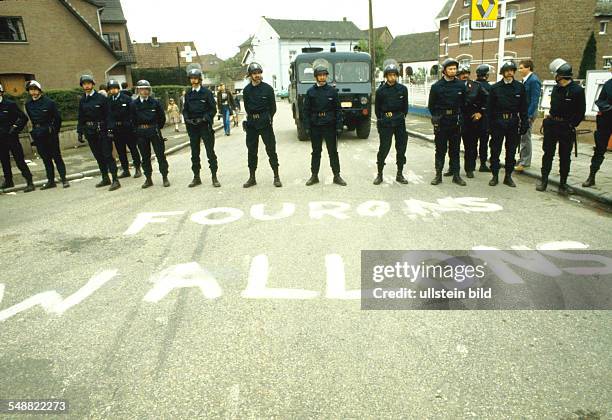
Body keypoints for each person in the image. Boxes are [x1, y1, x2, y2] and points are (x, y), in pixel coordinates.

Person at [536, 59, 586, 194]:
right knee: (548, 154)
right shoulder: (557, 88)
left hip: (565, 127)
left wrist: (571, 125)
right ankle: (544, 180)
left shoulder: (577, 91)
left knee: (564, 156)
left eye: (556, 75)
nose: (555, 77)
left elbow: (581, 112)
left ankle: (563, 184)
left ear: (561, 76)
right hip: (552, 125)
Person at [302, 63, 347, 186]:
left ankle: (336, 176)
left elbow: (338, 110)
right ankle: (314, 175)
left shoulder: (332, 91)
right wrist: (306, 127)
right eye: (320, 75)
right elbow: (306, 111)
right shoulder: (310, 92)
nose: (322, 77)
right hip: (315, 125)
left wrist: (339, 126)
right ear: (316, 77)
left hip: (329, 125)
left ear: (326, 76)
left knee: (333, 151)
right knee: (316, 152)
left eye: (324, 75)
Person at [486, 60, 528, 188]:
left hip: (513, 122)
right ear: (503, 73)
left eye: (512, 71)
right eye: (507, 71)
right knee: (495, 150)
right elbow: (489, 108)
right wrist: (488, 126)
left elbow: (523, 107)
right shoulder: (495, 88)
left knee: (511, 151)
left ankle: (508, 176)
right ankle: (495, 175)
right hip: (498, 122)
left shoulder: (520, 87)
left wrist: (524, 123)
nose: (510, 73)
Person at [77, 74, 120, 191]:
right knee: (98, 156)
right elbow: (81, 117)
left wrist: (110, 130)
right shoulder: (82, 100)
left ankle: (115, 179)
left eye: (88, 83)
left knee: (107, 155)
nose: (86, 86)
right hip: (90, 132)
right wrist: (79, 132)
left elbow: (109, 116)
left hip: (102, 131)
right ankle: (105, 177)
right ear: (82, 86)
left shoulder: (101, 99)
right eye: (84, 84)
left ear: (92, 84)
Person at [427, 57, 467, 186]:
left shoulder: (461, 85)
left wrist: (461, 117)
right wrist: (437, 118)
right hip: (442, 122)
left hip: (455, 122)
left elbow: (464, 103)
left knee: (455, 150)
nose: (453, 71)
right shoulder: (436, 87)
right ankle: (438, 175)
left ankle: (456, 175)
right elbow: (431, 106)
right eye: (450, 69)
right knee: (440, 150)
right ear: (444, 71)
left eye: (455, 69)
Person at [242, 62, 282, 188]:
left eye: (259, 73)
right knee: (251, 151)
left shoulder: (268, 89)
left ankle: (276, 176)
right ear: (250, 75)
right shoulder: (246, 90)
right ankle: (252, 177)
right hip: (252, 124)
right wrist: (250, 119)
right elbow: (247, 107)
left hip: (265, 123)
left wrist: (268, 118)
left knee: (271, 150)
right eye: (254, 73)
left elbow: (273, 108)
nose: (257, 75)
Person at [24, 80, 69, 189]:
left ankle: (64, 179)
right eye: (31, 90)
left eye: (35, 90)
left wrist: (54, 131)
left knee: (57, 157)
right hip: (38, 135)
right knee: (45, 159)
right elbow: (31, 120)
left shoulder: (49, 102)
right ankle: (51, 181)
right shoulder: (28, 104)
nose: (33, 92)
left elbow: (58, 118)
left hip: (50, 134)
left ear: (39, 90)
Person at [373, 60, 409, 185]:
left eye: (394, 75)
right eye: (390, 75)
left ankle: (400, 173)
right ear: (386, 76)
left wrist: (399, 117)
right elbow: (377, 110)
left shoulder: (403, 89)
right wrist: (382, 120)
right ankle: (379, 174)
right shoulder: (381, 91)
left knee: (401, 148)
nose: (392, 77)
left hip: (399, 122)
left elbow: (405, 108)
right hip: (386, 123)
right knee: (384, 148)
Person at [182, 68, 219, 188]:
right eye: (191, 78)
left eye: (195, 78)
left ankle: (214, 177)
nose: (193, 80)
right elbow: (185, 110)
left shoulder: (206, 93)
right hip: (193, 127)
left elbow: (213, 109)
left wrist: (205, 118)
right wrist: (187, 119)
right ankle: (196, 177)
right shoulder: (188, 94)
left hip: (204, 126)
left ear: (199, 79)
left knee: (210, 152)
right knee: (194, 153)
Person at [130, 80, 169, 188]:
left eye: (146, 89)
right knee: (145, 157)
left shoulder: (155, 102)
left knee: (160, 155)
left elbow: (162, 118)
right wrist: (137, 131)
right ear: (138, 90)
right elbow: (132, 120)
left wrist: (156, 127)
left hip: (154, 131)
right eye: (142, 89)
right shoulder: (133, 104)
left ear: (149, 90)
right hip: (141, 132)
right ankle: (148, 179)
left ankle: (165, 177)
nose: (144, 91)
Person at [0, 83, 34, 192]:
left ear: (1, 93)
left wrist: (15, 128)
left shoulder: (9, 105)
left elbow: (23, 118)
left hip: (11, 138)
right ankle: (8, 181)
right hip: (1, 139)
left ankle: (29, 181)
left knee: (19, 160)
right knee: (4, 161)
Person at [457, 64, 488, 179]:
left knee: (470, 147)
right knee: (453, 146)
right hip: (455, 119)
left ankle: (469, 169)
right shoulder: (453, 86)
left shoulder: (476, 86)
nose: (465, 75)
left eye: (467, 73)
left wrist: (481, 112)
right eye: (462, 73)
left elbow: (487, 99)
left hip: (470, 121)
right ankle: (453, 168)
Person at [106, 79, 142, 179]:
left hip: (128, 129)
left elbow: (133, 113)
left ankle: (138, 168)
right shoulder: (108, 101)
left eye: (115, 88)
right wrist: (110, 128)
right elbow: (108, 116)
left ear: (118, 89)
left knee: (133, 149)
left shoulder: (126, 98)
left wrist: (133, 126)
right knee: (121, 151)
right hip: (116, 130)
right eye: (111, 89)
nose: (113, 90)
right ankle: (125, 169)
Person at [583, 71, 612, 188]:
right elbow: (599, 100)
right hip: (606, 120)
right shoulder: (608, 84)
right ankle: (591, 176)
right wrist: (606, 106)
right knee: (599, 149)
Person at [515, 59, 542, 172]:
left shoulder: (533, 81)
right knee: (522, 135)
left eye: (521, 68)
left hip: (529, 112)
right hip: (524, 111)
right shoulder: (525, 80)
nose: (519, 70)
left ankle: (525, 162)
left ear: (528, 68)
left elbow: (534, 100)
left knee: (526, 136)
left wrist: (529, 115)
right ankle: (522, 158)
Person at [475, 64, 492, 172]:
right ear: (486, 75)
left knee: (472, 142)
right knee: (484, 142)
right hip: (485, 118)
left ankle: (471, 165)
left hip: (473, 118)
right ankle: (482, 164)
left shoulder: (472, 85)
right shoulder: (490, 87)